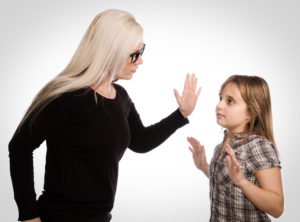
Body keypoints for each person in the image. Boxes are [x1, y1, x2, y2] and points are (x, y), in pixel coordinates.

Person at [9, 9, 201, 222]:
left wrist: (181, 114)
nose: (140, 61)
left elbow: (141, 141)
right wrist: (28, 214)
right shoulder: (66, 95)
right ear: (111, 51)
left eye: (142, 50)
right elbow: (20, 146)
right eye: (135, 54)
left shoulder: (121, 97)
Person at [187, 75, 284, 221]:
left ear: (250, 113)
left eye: (230, 101)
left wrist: (242, 182)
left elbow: (277, 208)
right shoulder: (221, 146)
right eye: (220, 98)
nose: (219, 105)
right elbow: (228, 184)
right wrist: (204, 167)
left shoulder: (258, 145)